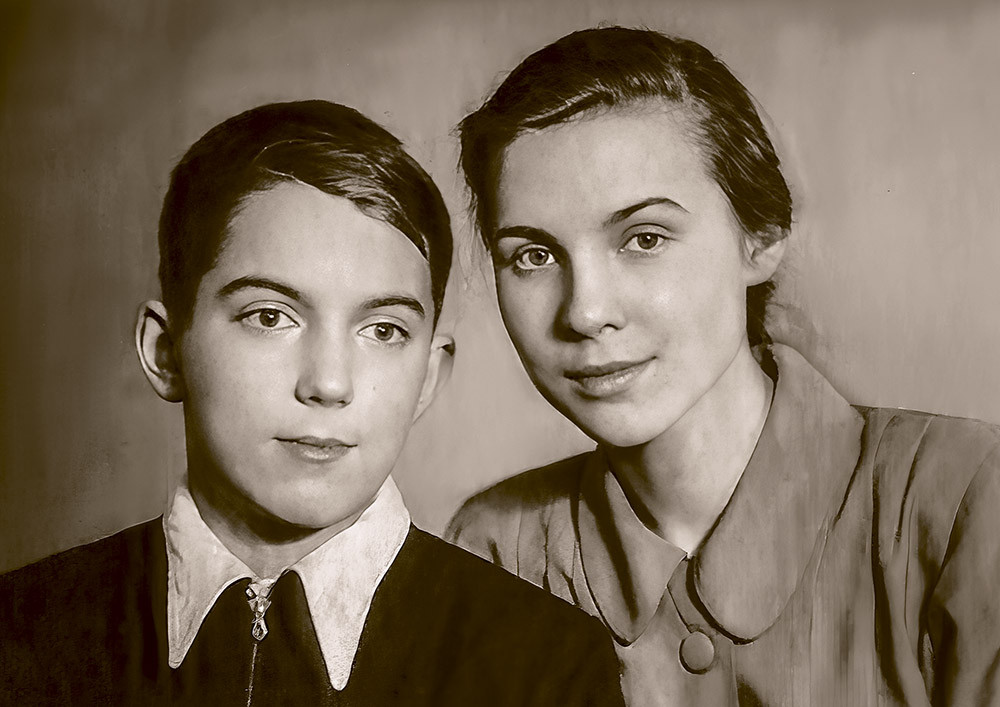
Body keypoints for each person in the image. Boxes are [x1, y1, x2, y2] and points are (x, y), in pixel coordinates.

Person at [0, 100, 624, 706]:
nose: (328, 383)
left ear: (428, 378)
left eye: (383, 330)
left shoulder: (546, 668)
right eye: (270, 317)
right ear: (166, 352)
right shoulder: (23, 632)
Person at [446, 27, 1000, 706]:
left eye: (644, 238)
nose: (585, 312)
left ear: (760, 238)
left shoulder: (964, 495)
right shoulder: (495, 550)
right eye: (533, 256)